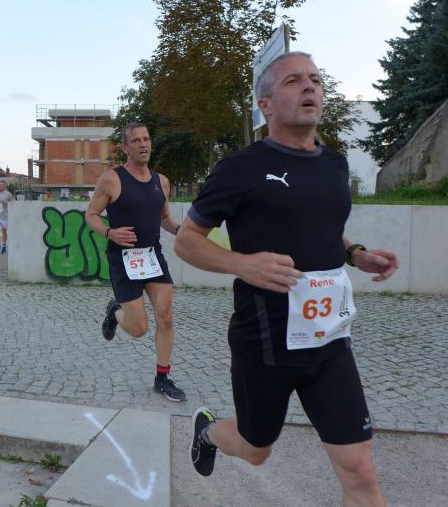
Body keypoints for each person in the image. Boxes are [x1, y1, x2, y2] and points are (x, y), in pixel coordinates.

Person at [174, 52, 399, 506]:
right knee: (256, 449)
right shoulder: (240, 167)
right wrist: (242, 264)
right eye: (293, 80)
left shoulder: (335, 165)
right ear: (265, 105)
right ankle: (209, 432)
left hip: (329, 338)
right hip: (265, 341)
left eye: (315, 79)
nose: (310, 86)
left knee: (360, 470)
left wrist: (356, 255)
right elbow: (186, 241)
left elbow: (323, 231)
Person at [85, 122, 186, 402]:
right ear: (125, 147)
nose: (143, 145)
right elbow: (91, 215)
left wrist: (180, 230)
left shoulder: (161, 181)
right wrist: (110, 232)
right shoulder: (112, 179)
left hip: (152, 257)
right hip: (123, 259)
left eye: (146, 139)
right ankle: (115, 311)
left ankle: (162, 378)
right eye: (136, 141)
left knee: (166, 317)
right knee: (139, 328)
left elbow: (164, 218)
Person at [0, 180, 15, 254]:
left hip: (5, 215)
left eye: (1, 185)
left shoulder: (8, 194)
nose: (0, 186)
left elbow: (14, 203)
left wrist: (8, 202)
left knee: (4, 231)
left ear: (5, 186)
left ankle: (4, 245)